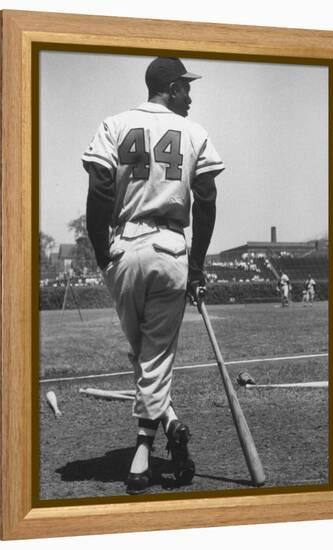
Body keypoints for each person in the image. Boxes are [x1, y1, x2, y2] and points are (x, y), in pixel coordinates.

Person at [82, 57, 224, 494]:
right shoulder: (195, 132)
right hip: (170, 249)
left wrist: (103, 252)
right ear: (170, 87)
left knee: (143, 355)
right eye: (185, 87)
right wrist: (197, 267)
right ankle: (145, 451)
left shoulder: (114, 123)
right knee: (154, 357)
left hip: (124, 248)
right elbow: (206, 201)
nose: (190, 95)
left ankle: (171, 423)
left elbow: (101, 189)